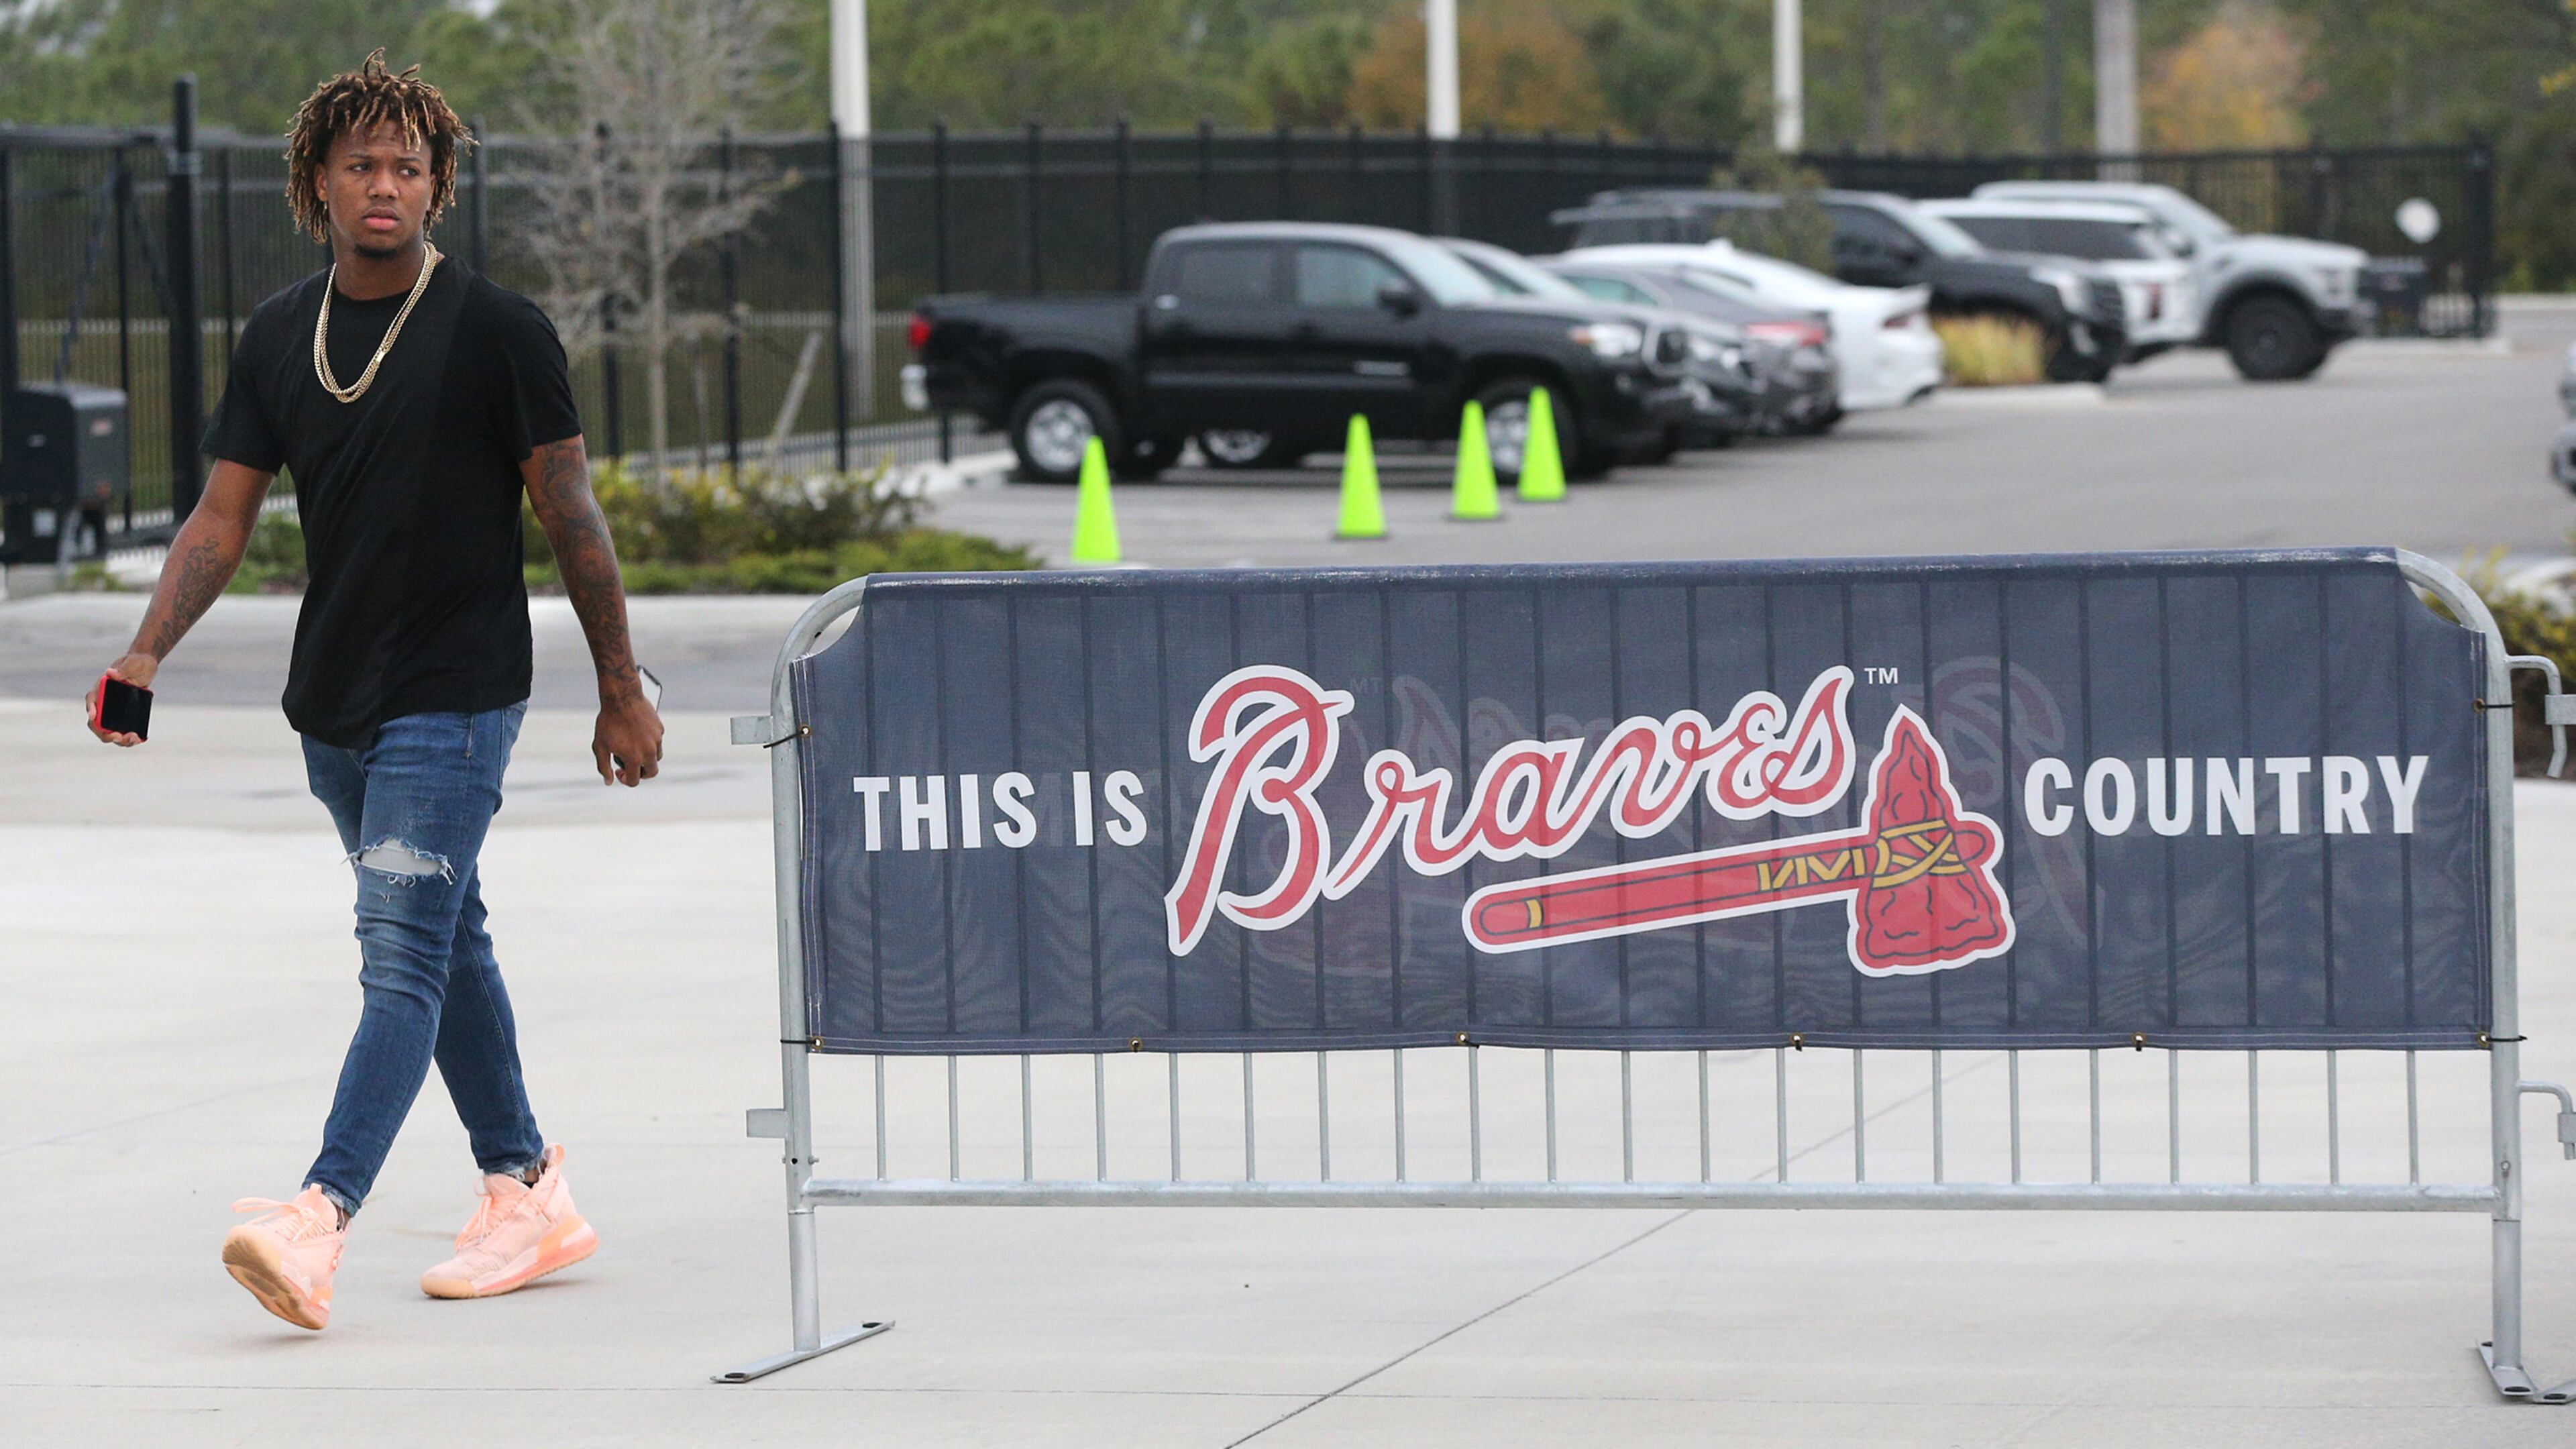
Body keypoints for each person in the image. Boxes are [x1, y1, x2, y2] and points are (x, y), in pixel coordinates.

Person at [87, 52, 663, 1332]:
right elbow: (220, 521)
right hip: (334, 707)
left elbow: (574, 519)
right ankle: (526, 1186)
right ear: (320, 183)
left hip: (456, 701)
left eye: (409, 165)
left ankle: (319, 1215)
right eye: (364, 165)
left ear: (439, 184)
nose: (387, 185)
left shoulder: (500, 331)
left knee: (398, 954)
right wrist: (140, 659)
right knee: (447, 939)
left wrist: (621, 689)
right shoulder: (279, 335)